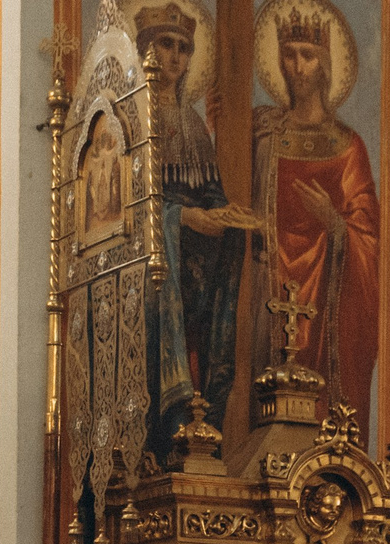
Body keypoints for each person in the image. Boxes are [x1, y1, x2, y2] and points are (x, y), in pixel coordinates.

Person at [253, 2, 379, 434]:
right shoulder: (265, 133)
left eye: (308, 56)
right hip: (266, 287)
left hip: (325, 296)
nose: (297, 66)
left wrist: (335, 222)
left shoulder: (348, 146)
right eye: (289, 55)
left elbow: (367, 236)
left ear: (325, 66)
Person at [141, 1, 260, 454]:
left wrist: (232, 218)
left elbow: (212, 191)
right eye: (164, 45)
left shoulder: (193, 122)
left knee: (204, 357)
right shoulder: (133, 120)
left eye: (183, 48)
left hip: (200, 269)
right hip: (158, 268)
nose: (173, 57)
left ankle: (198, 435)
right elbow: (132, 208)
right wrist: (184, 217)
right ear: (144, 50)